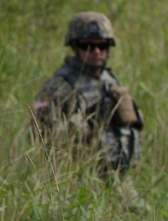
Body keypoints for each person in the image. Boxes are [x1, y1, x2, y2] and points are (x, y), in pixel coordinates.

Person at [32, 11, 143, 174]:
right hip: (79, 175)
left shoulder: (109, 79)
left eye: (102, 45)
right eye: (88, 46)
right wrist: (91, 121)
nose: (96, 51)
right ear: (75, 47)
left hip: (118, 173)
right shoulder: (59, 86)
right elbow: (40, 133)